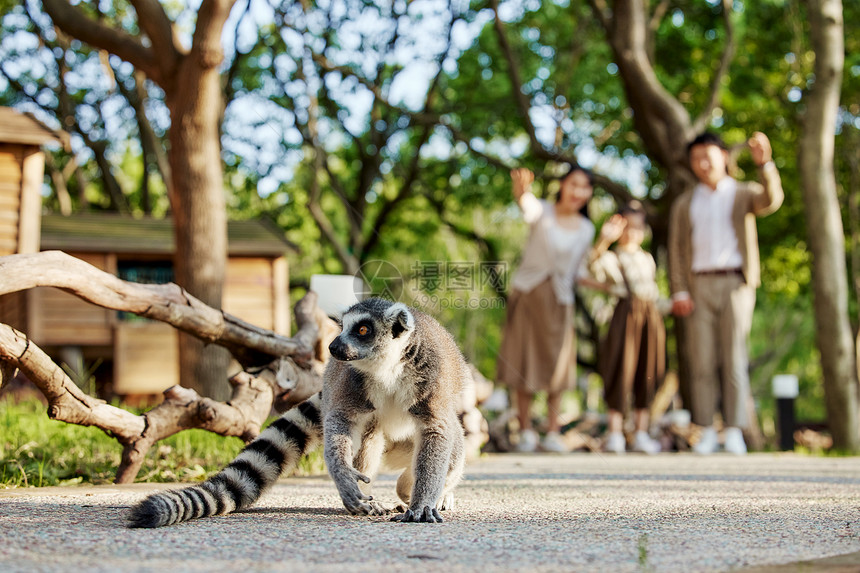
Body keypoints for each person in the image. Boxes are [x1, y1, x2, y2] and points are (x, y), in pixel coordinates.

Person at [668, 131, 783, 455]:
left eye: (708, 155)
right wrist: (678, 290)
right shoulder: (685, 202)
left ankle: (733, 429)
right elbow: (676, 250)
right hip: (697, 285)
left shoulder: (743, 192)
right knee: (700, 360)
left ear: (723, 156)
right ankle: (704, 428)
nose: (702, 163)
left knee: (733, 357)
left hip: (736, 283)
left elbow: (770, 201)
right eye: (695, 158)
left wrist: (765, 165)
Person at [496, 164, 595, 453]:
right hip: (528, 292)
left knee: (557, 364)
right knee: (525, 359)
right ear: (562, 185)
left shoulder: (587, 228)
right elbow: (527, 207)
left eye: (585, 187)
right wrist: (521, 192)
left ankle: (553, 431)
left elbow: (580, 270)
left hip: (560, 299)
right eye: (574, 184)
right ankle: (525, 429)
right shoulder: (543, 210)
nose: (579, 191)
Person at [588, 201, 665, 454]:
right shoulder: (612, 257)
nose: (633, 232)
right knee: (620, 368)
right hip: (623, 317)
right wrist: (603, 240)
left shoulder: (647, 259)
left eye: (638, 226)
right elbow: (593, 266)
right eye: (627, 226)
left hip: (650, 317)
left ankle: (641, 431)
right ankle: (615, 432)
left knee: (648, 369)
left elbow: (653, 292)